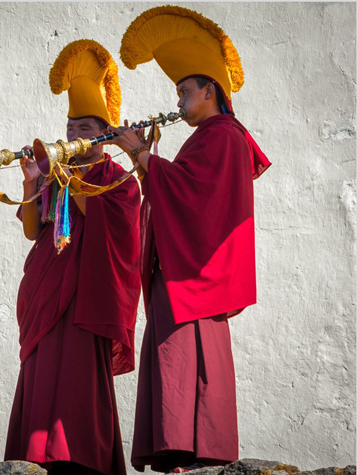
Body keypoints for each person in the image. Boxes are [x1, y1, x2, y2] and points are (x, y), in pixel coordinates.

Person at [108, 6, 272, 473]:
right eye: (177, 92)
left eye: (184, 91)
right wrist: (147, 161)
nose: (178, 101)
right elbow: (176, 192)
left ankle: (191, 453)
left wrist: (138, 151)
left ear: (210, 90)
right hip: (175, 273)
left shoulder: (222, 135)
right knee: (174, 366)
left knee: (187, 364)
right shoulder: (206, 137)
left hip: (193, 279)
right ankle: (178, 453)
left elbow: (192, 196)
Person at [4, 39, 141, 475]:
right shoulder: (55, 177)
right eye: (70, 127)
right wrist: (31, 183)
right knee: (42, 376)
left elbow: (105, 223)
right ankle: (36, 455)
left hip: (86, 301)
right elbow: (33, 231)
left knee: (78, 382)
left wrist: (69, 175)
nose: (74, 136)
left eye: (85, 127)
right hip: (44, 297)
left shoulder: (119, 182)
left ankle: (83, 460)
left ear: (104, 132)